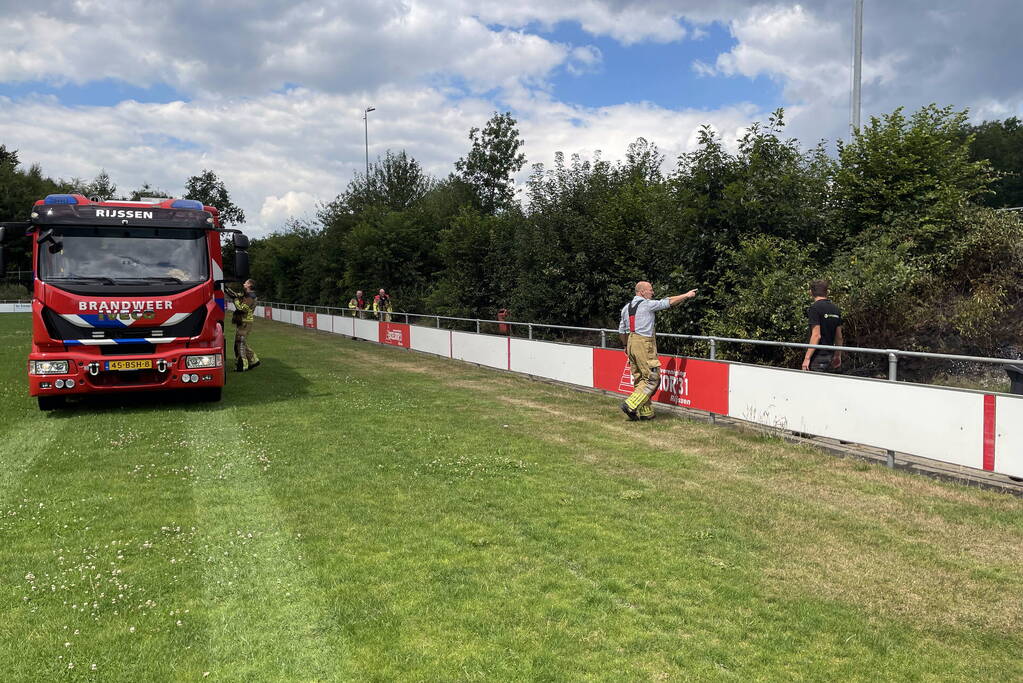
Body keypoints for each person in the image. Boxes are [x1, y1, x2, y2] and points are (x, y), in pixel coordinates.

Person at [618, 281, 697, 421]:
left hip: (630, 342)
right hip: (644, 343)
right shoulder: (647, 305)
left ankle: (646, 413)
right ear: (642, 292)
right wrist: (686, 295)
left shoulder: (626, 308)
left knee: (640, 378)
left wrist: (625, 346)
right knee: (652, 378)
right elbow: (667, 302)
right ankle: (630, 405)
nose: (652, 292)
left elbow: (621, 331)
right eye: (650, 290)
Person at [802, 279, 843, 372]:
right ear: (827, 292)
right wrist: (837, 355)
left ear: (810, 292)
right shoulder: (836, 309)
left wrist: (807, 358)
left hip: (817, 356)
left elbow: (816, 335)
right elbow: (839, 337)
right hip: (831, 356)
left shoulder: (814, 308)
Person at [226, 280, 260, 372]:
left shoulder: (250, 297)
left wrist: (235, 300)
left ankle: (242, 365)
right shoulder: (247, 295)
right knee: (241, 342)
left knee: (240, 343)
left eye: (246, 283)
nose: (244, 284)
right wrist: (226, 289)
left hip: (245, 322)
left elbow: (241, 309)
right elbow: (236, 295)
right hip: (244, 321)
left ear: (250, 285)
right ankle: (253, 360)